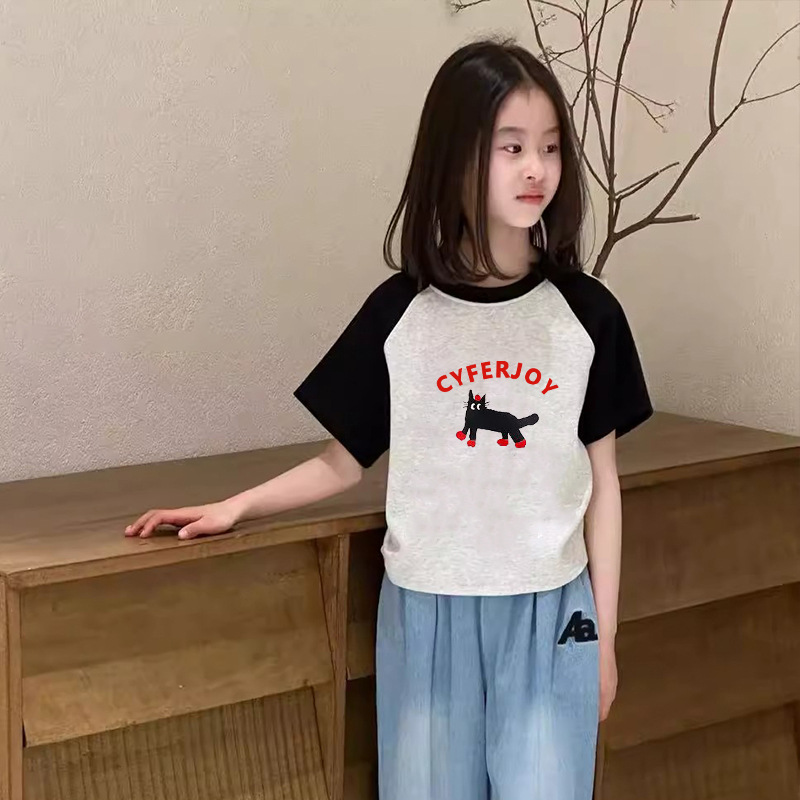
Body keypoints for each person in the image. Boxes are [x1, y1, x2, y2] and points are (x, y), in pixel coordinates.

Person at [126, 37, 652, 800]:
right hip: (426, 612)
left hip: (551, 617)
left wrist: (604, 637)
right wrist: (233, 506)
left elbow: (604, 482)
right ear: (456, 156)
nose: (536, 169)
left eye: (548, 148)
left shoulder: (587, 314)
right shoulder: (402, 313)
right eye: (510, 148)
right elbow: (342, 460)